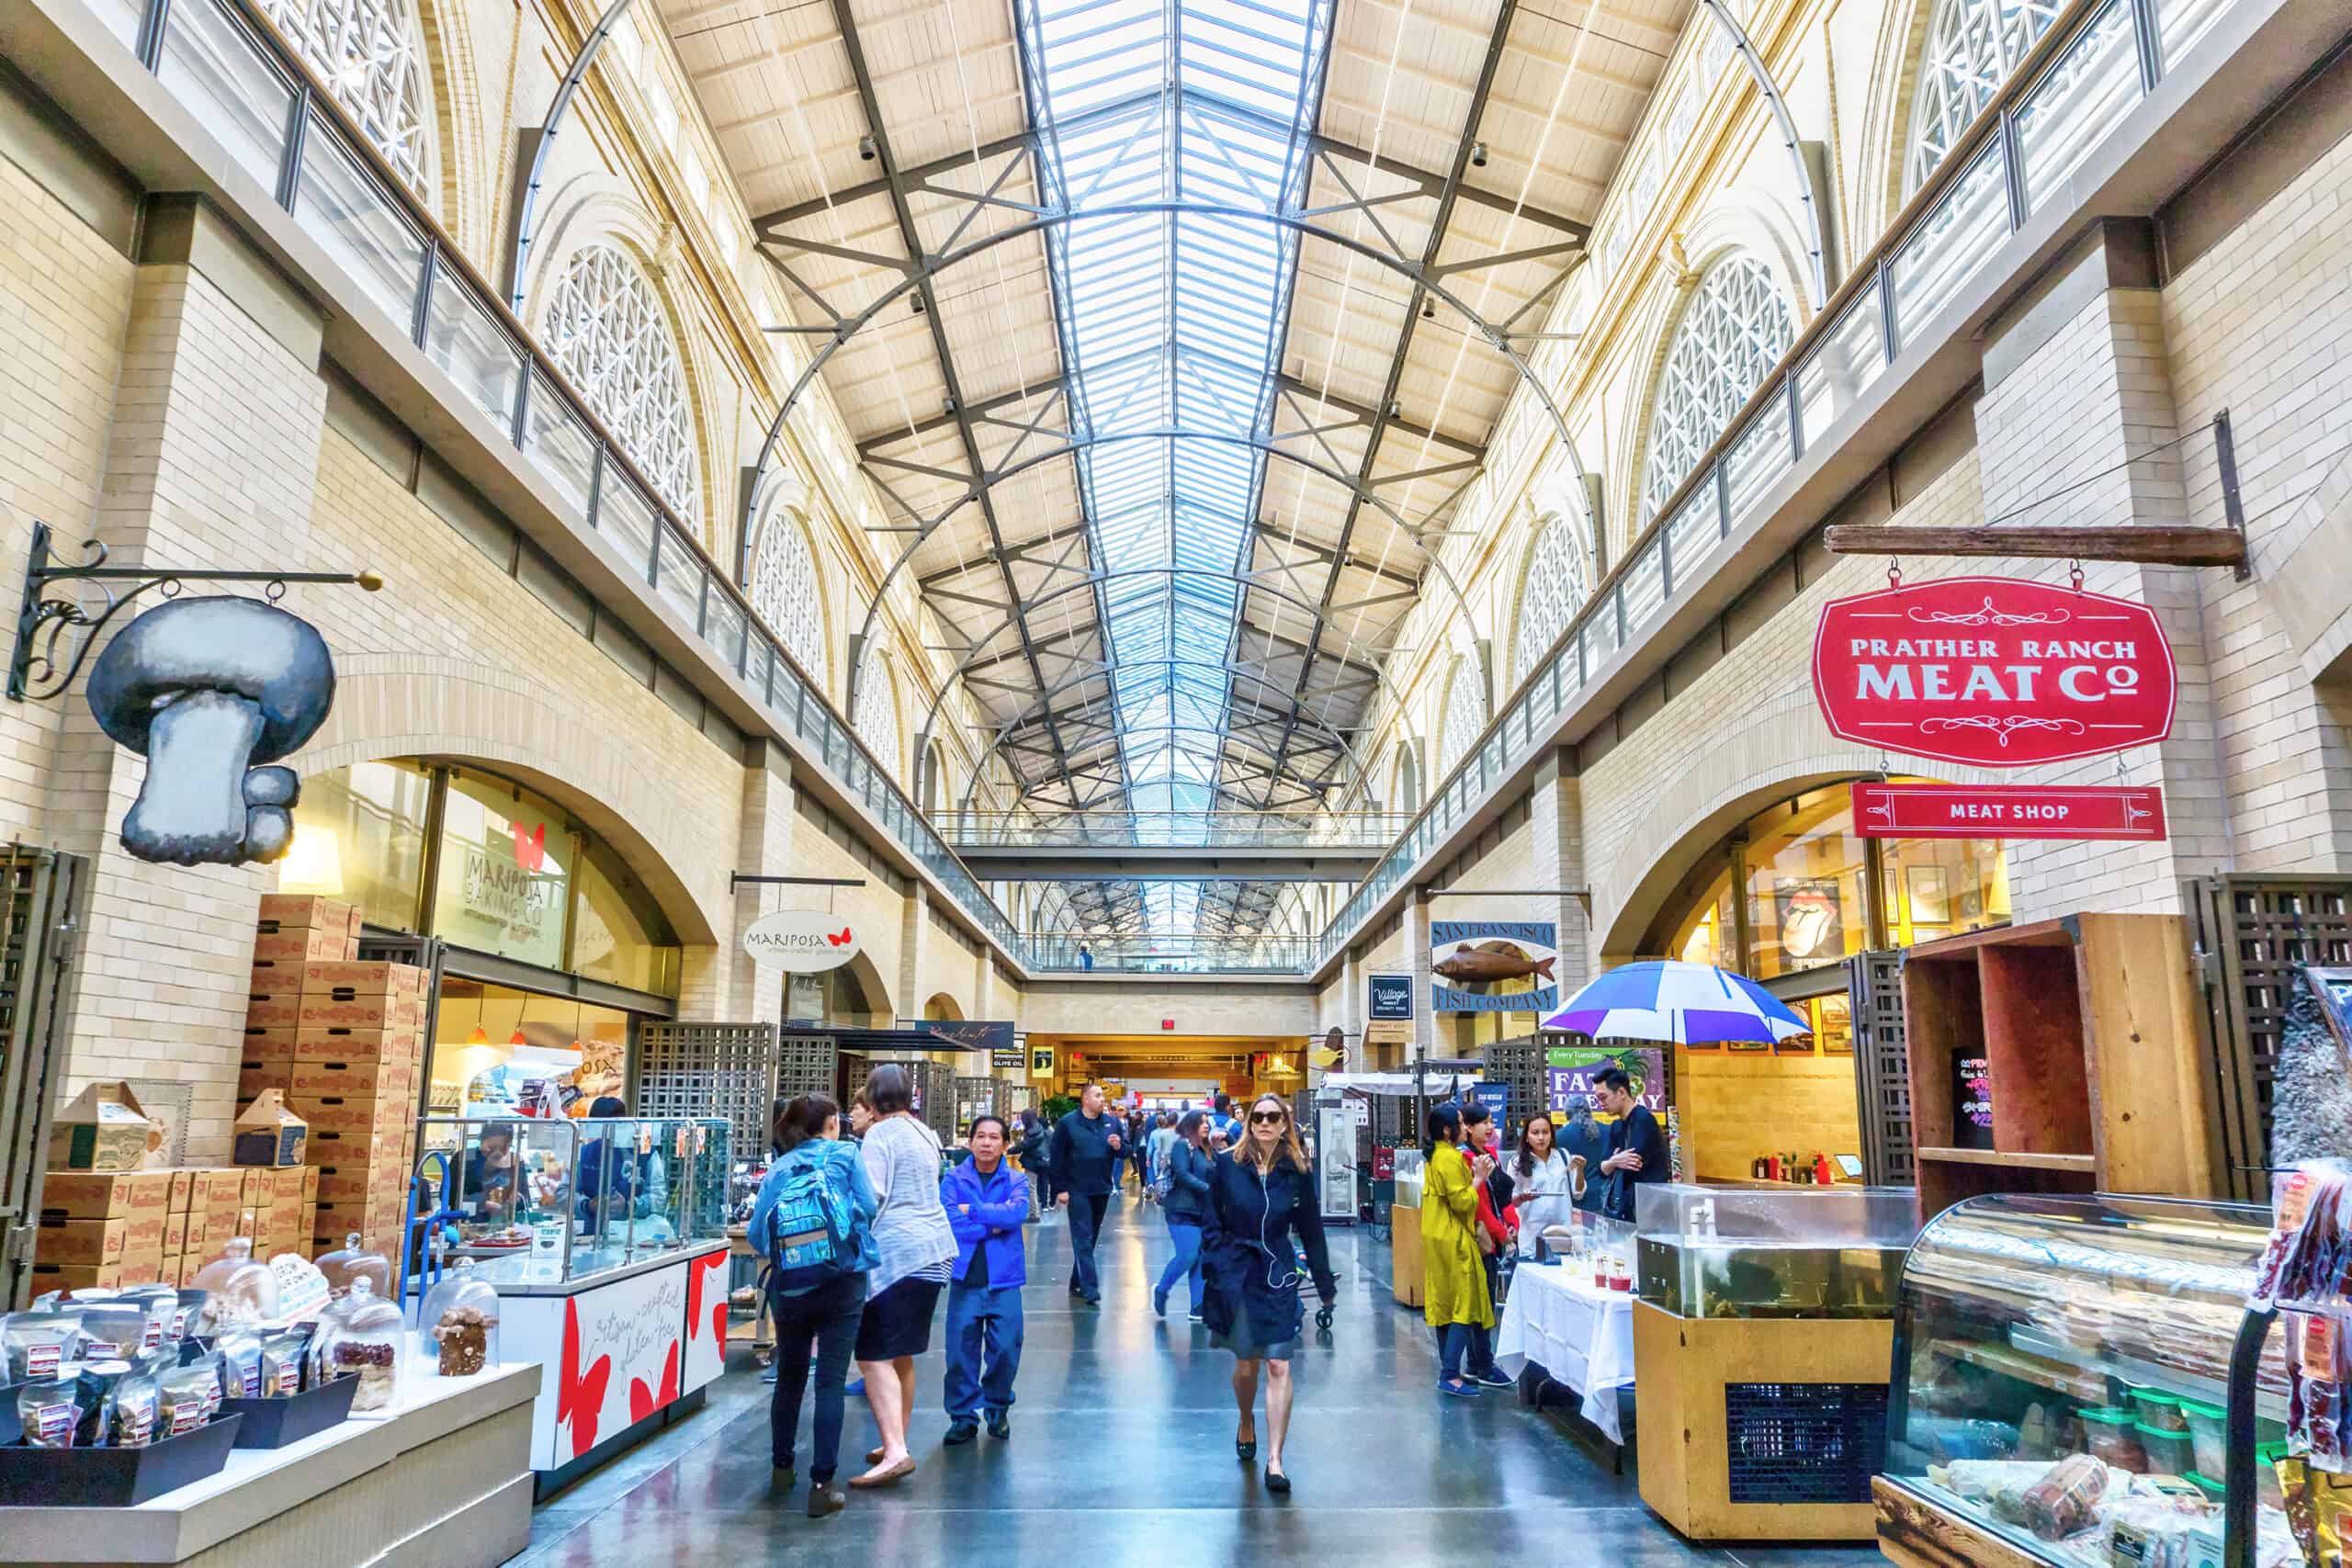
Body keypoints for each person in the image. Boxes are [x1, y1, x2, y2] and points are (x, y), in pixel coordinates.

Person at [1198, 1093, 1336, 1495]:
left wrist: (1324, 1284)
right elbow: (1212, 1222)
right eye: (1257, 1116)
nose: (1264, 1122)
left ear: (1284, 1124)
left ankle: (1275, 1460)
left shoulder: (1296, 1171)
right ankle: (1245, 1418)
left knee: (1279, 1364)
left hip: (1277, 1276)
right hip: (1237, 1276)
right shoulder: (1226, 1167)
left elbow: (1311, 1230)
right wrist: (1219, 1265)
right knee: (1247, 1366)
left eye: (1273, 1117)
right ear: (1249, 1122)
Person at [751, 1093, 876, 1518]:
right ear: (829, 1123)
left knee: (789, 1377)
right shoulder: (846, 1155)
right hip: (843, 1282)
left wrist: (792, 1257)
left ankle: (781, 1467)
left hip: (791, 1289)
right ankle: (822, 1485)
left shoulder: (780, 1167)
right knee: (830, 1381)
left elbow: (756, 1233)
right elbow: (870, 1206)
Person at [850, 1066, 959, 1488]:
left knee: (872, 1354)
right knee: (902, 1353)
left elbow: (871, 1194)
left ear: (874, 1098)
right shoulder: (923, 1132)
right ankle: (896, 1439)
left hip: (899, 1253)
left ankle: (895, 1450)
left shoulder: (880, 1135)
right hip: (934, 1251)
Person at [939, 1115, 1025, 1443]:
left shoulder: (1016, 1180)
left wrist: (972, 1210)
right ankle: (962, 1417)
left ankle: (997, 1407)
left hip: (1005, 1279)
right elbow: (950, 1221)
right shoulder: (952, 1179)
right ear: (970, 1142)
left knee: (1006, 1348)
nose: (987, 1143)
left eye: (994, 1137)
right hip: (965, 1279)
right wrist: (994, 1221)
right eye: (980, 1136)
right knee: (960, 1353)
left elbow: (1017, 1214)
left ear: (1005, 1144)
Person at [1421, 1101, 1506, 1397]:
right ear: (1448, 1130)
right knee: (1463, 1304)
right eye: (1461, 1121)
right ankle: (1448, 1373)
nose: (1465, 1126)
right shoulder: (1449, 1159)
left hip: (1436, 1236)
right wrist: (1479, 1178)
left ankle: (1451, 1371)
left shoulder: (1438, 1156)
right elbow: (1463, 1202)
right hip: (1453, 1238)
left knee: (1445, 1303)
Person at [1049, 1082, 1123, 1304]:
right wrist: (1060, 1188)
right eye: (1098, 1095)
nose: (1103, 1099)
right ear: (1086, 1100)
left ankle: (1076, 1281)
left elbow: (1126, 1151)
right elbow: (1057, 1158)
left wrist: (1120, 1146)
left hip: (1101, 1188)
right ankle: (1090, 1289)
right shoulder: (1068, 1124)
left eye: (1103, 1096)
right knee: (1083, 1238)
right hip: (1076, 1189)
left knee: (1090, 1239)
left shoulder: (1112, 1123)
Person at [1153, 1110, 1213, 1321]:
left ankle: (1197, 1306)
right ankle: (1162, 1289)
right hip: (1181, 1209)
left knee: (1200, 1258)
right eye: (1202, 1123)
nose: (1206, 1126)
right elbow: (1183, 1174)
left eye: (1207, 1123)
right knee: (1188, 1255)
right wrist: (1208, 1189)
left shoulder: (1206, 1149)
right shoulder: (1182, 1145)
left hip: (1203, 1212)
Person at [1593, 1066, 1669, 1223]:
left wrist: (1612, 1163)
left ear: (1621, 1093)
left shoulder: (1643, 1119)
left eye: (1603, 1097)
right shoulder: (1616, 1126)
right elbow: (1601, 1169)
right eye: (1597, 1099)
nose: (1600, 1103)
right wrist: (1614, 1161)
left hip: (1648, 1208)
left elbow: (1632, 1163)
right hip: (1624, 1206)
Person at [1510, 1113, 1585, 1256]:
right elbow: (1509, 1200)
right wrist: (1522, 1197)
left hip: (1562, 1233)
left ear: (1552, 1134)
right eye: (1535, 1133)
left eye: (1545, 1132)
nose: (1541, 1138)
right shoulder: (1517, 1162)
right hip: (1532, 1236)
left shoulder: (1562, 1156)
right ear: (1526, 1136)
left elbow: (1578, 1193)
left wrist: (1580, 1170)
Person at [575, 1096, 639, 1231]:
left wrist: (629, 1206)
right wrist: (587, 1205)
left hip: (633, 1235)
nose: (610, 1132)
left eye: (618, 1124)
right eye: (601, 1126)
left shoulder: (644, 1154)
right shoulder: (584, 1153)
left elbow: (658, 1196)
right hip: (590, 1233)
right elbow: (564, 1192)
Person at [1012, 1108, 1049, 1222]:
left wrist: (1011, 1150)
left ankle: (1034, 1214)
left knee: (1031, 1187)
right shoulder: (1038, 1127)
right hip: (1042, 1160)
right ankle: (1040, 1208)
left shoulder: (1031, 1131)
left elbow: (1025, 1145)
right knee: (1038, 1185)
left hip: (1033, 1162)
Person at [1148, 1111, 1179, 1198]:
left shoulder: (1153, 1133)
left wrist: (1148, 1158)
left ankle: (1157, 1190)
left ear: (1157, 1123)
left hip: (1157, 1157)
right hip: (1171, 1157)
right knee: (1168, 1175)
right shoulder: (1173, 1132)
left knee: (1158, 1175)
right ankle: (1168, 1192)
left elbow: (1150, 1148)